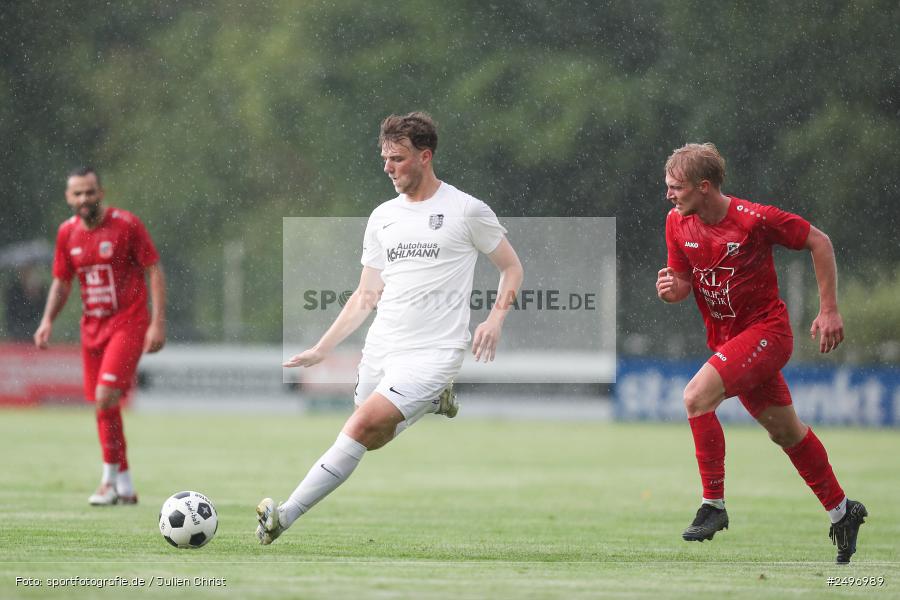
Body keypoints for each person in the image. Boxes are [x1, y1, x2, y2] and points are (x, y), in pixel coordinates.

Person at [256, 112, 523, 544]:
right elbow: (366, 294)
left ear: (425, 156)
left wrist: (494, 319)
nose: (388, 167)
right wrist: (323, 347)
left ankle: (282, 516)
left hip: (434, 352)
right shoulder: (382, 217)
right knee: (371, 436)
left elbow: (512, 268)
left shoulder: (466, 210)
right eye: (385, 158)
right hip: (383, 346)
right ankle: (434, 402)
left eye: (397, 158)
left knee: (360, 428)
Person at [656, 143, 866, 564]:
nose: (669, 195)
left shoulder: (753, 219)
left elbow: (819, 242)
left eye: (676, 187)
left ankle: (713, 504)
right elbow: (682, 282)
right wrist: (672, 290)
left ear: (704, 186)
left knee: (695, 397)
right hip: (731, 344)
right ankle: (843, 511)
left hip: (767, 334)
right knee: (786, 433)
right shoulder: (677, 221)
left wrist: (828, 309)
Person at [34, 167, 166, 506]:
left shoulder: (126, 224)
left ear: (101, 192)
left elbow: (153, 268)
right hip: (92, 327)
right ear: (69, 197)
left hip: (128, 322)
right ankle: (126, 485)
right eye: (77, 193)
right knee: (104, 404)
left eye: (89, 192)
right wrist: (47, 320)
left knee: (105, 397)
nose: (84, 198)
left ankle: (107, 482)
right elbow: (62, 280)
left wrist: (157, 322)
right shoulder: (67, 233)